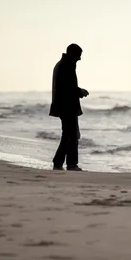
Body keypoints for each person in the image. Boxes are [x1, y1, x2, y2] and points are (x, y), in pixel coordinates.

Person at [49, 43, 89, 171]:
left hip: (63, 106)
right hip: (67, 107)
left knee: (68, 135)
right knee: (72, 135)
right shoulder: (67, 66)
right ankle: (71, 164)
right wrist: (80, 92)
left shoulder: (62, 65)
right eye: (79, 55)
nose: (80, 59)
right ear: (73, 54)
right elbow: (68, 88)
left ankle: (58, 162)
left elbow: (66, 87)